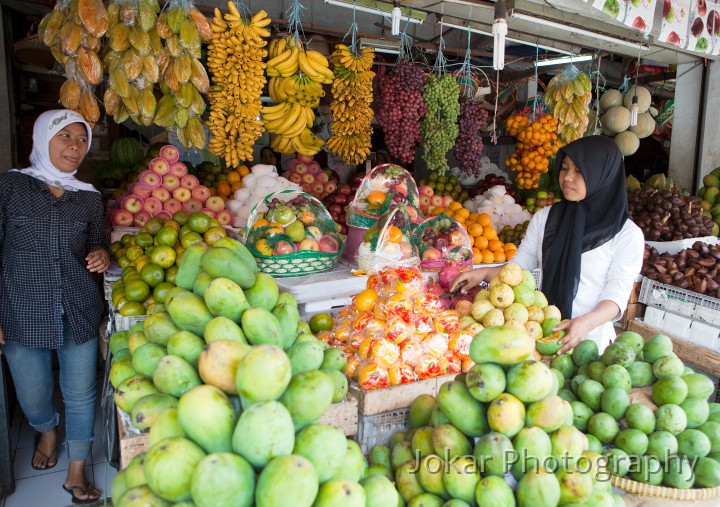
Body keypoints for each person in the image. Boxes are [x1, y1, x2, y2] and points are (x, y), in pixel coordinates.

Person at [0, 109, 109, 503]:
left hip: (77, 305)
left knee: (80, 392)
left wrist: (101, 254)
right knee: (32, 392)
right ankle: (46, 428)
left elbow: (99, 242)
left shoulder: (89, 197)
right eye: (65, 136)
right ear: (42, 138)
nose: (75, 146)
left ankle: (76, 468)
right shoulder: (10, 187)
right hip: (20, 306)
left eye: (82, 139)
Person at [450, 136, 644, 355]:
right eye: (564, 168)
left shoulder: (627, 235)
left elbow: (617, 294)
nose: (567, 178)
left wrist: (586, 322)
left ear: (602, 175)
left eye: (579, 171)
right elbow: (518, 268)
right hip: (541, 334)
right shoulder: (546, 218)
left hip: (591, 344)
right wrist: (482, 272)